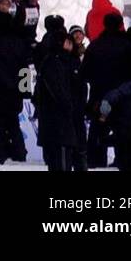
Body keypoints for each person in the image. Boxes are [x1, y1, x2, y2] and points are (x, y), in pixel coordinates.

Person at [82, 11, 131, 167]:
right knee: (122, 130)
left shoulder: (95, 45)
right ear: (121, 25)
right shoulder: (128, 46)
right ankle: (122, 161)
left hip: (98, 95)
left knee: (97, 130)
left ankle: (94, 162)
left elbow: (84, 73)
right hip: (122, 96)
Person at [0, 10, 30, 164]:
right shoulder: (19, 42)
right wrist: (25, 90)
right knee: (13, 123)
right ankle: (20, 153)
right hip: (15, 90)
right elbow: (24, 67)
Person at [34, 29, 84, 172]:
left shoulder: (68, 61)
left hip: (62, 118)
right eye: (67, 42)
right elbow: (58, 89)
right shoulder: (53, 62)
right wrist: (68, 105)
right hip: (57, 118)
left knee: (63, 155)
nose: (70, 45)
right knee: (60, 156)